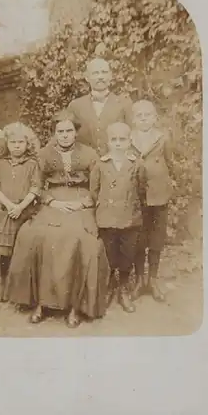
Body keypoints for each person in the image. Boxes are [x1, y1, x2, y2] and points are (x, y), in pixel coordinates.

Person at [7, 110, 110, 328]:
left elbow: (98, 185)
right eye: (60, 131)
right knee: (34, 234)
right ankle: (41, 303)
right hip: (53, 202)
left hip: (81, 201)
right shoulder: (44, 155)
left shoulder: (90, 154)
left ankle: (74, 305)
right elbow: (36, 185)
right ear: (54, 133)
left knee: (81, 238)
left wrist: (83, 203)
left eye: (69, 131)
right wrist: (52, 201)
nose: (64, 135)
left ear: (76, 132)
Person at [90, 122, 146, 313]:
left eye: (122, 139)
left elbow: (141, 188)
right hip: (107, 218)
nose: (118, 143)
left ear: (130, 141)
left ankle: (122, 287)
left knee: (127, 254)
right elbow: (94, 191)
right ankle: (109, 286)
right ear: (108, 142)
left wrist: (134, 209)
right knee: (109, 252)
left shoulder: (136, 164)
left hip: (129, 218)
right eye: (114, 140)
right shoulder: (101, 164)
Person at [0, 122, 41, 302]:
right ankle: (3, 283)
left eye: (21, 142)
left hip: (24, 212)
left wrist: (20, 207)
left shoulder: (32, 164)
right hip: (6, 212)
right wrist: (10, 205)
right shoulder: (1, 164)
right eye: (13, 142)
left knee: (23, 248)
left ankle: (20, 286)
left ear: (27, 144)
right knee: (5, 250)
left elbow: (35, 188)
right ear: (7, 144)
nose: (17, 146)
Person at [130, 100, 175, 302]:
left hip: (158, 194)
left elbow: (170, 162)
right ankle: (140, 279)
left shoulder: (163, 138)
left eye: (148, 115)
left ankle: (153, 279)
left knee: (156, 238)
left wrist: (168, 184)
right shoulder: (128, 138)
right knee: (139, 237)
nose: (144, 118)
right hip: (136, 195)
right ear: (133, 119)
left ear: (155, 118)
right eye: (139, 115)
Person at [67, 57, 133, 156]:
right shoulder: (75, 106)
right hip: (85, 167)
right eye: (95, 73)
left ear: (110, 76)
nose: (100, 77)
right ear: (87, 77)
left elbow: (134, 137)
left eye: (104, 72)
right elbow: (63, 136)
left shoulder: (124, 104)